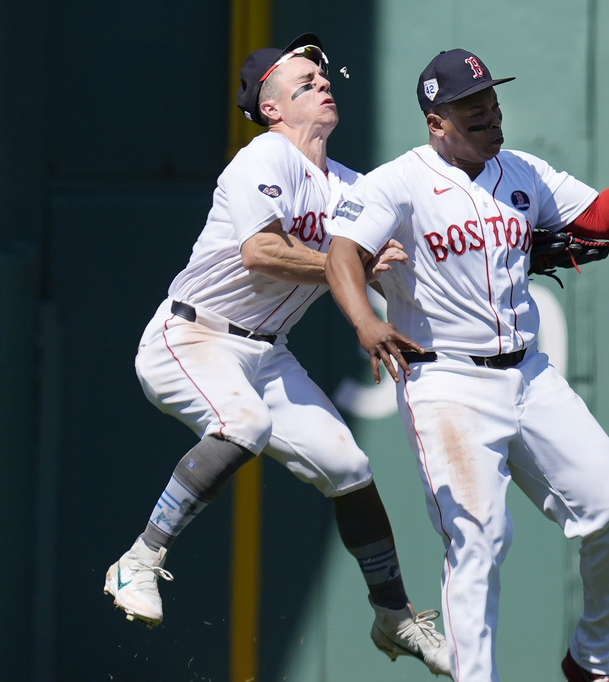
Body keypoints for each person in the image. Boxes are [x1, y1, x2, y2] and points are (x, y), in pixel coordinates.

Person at [324, 48, 609, 682]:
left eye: (493, 103)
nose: (491, 117)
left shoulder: (521, 172)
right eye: (474, 111)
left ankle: (594, 661)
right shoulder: (397, 182)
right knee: (479, 540)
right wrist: (364, 319)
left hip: (529, 374)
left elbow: (600, 220)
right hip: (446, 381)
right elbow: (342, 252)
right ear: (436, 120)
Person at [102, 33, 451, 677]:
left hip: (268, 354)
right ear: (271, 109)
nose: (322, 81)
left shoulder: (348, 184)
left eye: (323, 77)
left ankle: (392, 613)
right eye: (303, 82)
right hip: (192, 336)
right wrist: (352, 268)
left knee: (348, 465)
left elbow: (419, 238)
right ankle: (140, 559)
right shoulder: (262, 156)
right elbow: (261, 253)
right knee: (245, 425)